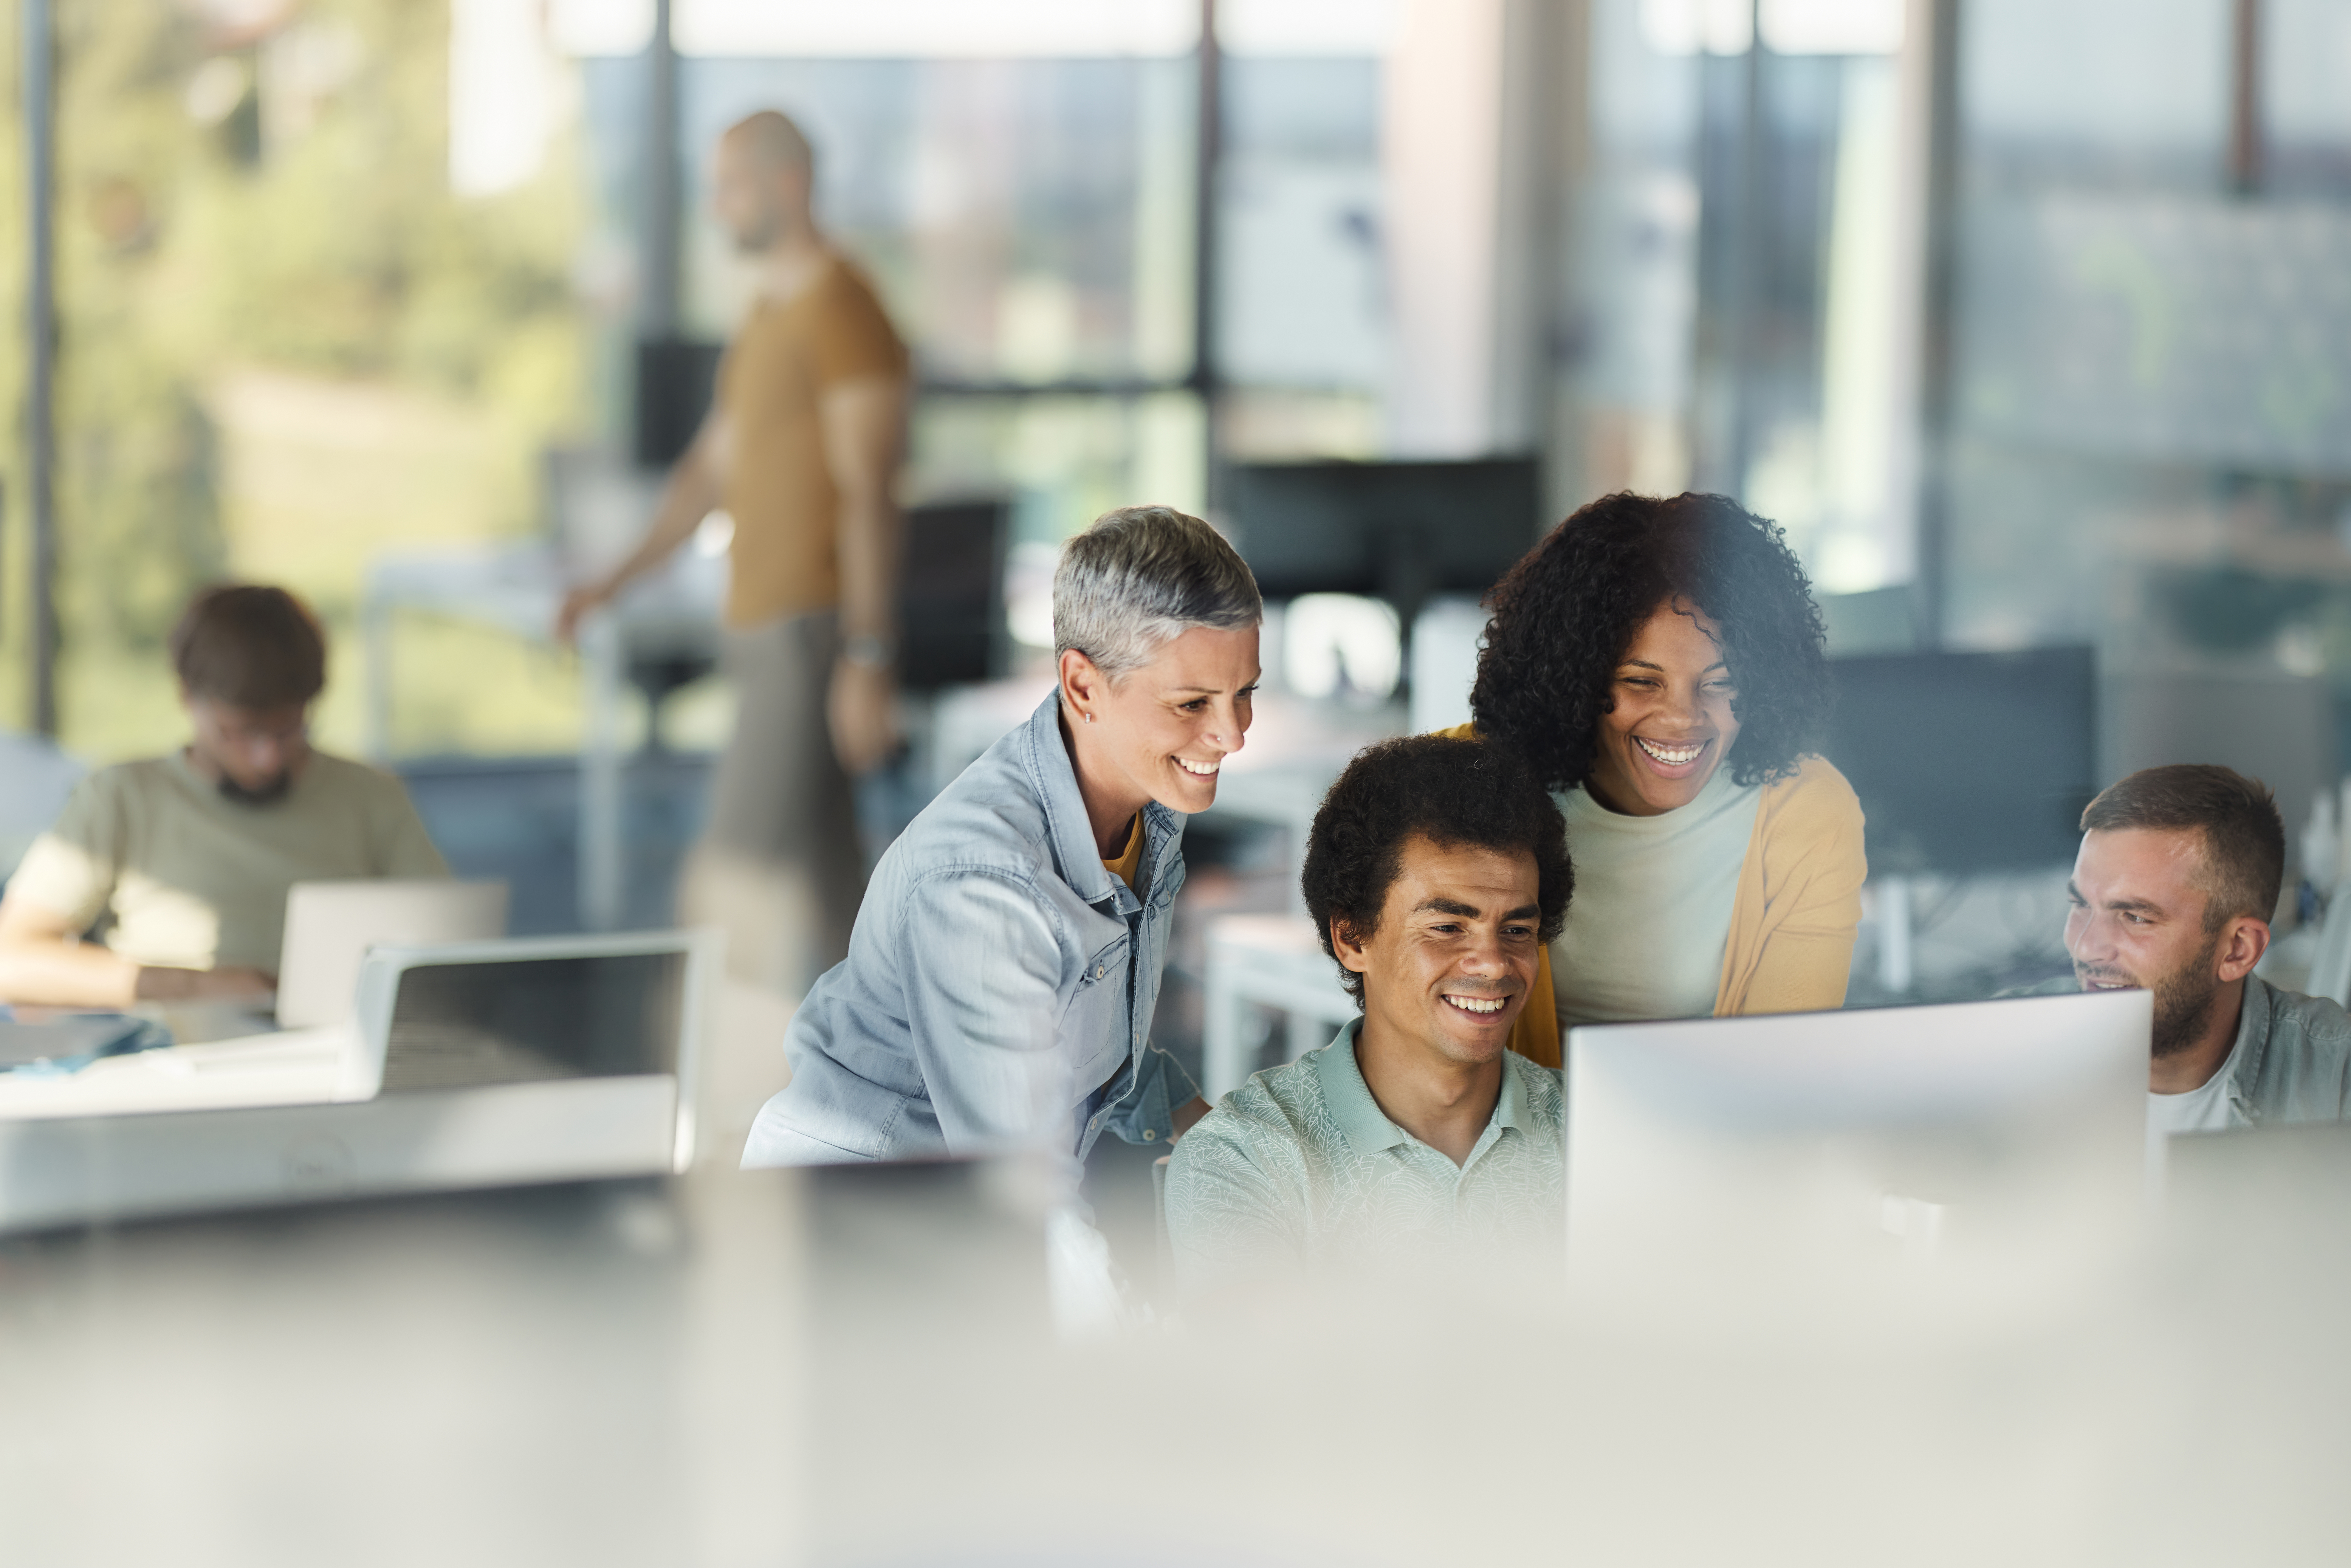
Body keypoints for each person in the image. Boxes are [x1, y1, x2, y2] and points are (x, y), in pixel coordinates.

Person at [741, 505, 1255, 1169]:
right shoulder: (984, 886)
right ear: (1082, 686)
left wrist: (1244, 1150)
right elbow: (1017, 1190)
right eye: (1192, 704)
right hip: (850, 1224)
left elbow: (1093, 1054)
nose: (1234, 733)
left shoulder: (1146, 802)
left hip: (950, 1216)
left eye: (1245, 691)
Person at [557, 109, 908, 991]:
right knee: (834, 902)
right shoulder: (767, 314)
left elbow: (870, 492)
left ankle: (711, 1111)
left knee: (730, 883)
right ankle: (891, 1106)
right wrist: (611, 581)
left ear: (786, 184)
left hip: (810, 631)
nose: (716, 206)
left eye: (730, 186)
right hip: (757, 627)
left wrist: (868, 657)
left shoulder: (845, 310)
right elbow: (706, 473)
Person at [1460, 491, 1865, 1064]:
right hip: (1505, 1139)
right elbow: (1423, 1050)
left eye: (1721, 684)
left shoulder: (1807, 810)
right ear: (1576, 681)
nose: (1683, 719)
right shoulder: (1463, 785)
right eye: (1641, 682)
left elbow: (1782, 1069)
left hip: (1708, 1133)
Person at [1164, 734, 1573, 1285]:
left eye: (1517, 930)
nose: (1494, 964)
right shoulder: (1248, 1156)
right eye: (1447, 928)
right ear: (1352, 937)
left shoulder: (1597, 1136)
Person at [0, 585, 447, 1008]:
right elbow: (12, 962)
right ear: (187, 698)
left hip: (338, 1047)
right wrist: (198, 987)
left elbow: (450, 941)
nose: (267, 758)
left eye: (289, 730)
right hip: (176, 1052)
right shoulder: (121, 797)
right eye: (239, 733)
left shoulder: (369, 795)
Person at [2059, 765, 2351, 1142]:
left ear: (2237, 951)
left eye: (2134, 917)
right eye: (2079, 903)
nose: (2085, 946)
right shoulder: (1997, 1053)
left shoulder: (2336, 1081)